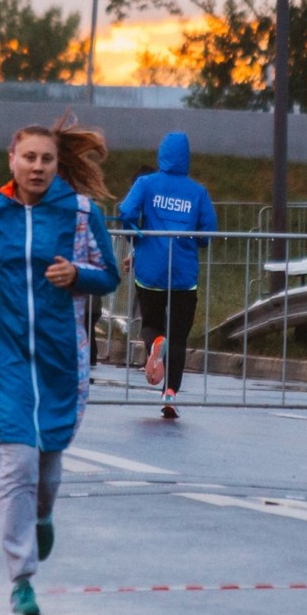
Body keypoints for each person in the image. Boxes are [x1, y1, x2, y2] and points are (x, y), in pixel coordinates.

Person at [0, 121, 121, 615]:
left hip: (58, 356)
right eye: (28, 157)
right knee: (17, 464)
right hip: (2, 353)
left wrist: (78, 276)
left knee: (48, 461)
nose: (37, 167)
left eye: (46, 159)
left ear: (56, 164)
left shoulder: (79, 213)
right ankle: (21, 582)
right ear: (11, 158)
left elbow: (109, 274)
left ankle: (44, 514)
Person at [114, 130, 216, 417]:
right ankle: (170, 394)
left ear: (162, 155)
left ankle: (154, 343)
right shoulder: (198, 191)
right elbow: (208, 231)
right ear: (187, 158)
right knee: (180, 338)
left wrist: (136, 236)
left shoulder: (146, 184)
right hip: (184, 273)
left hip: (150, 270)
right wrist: (196, 239)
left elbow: (126, 212)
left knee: (150, 323)